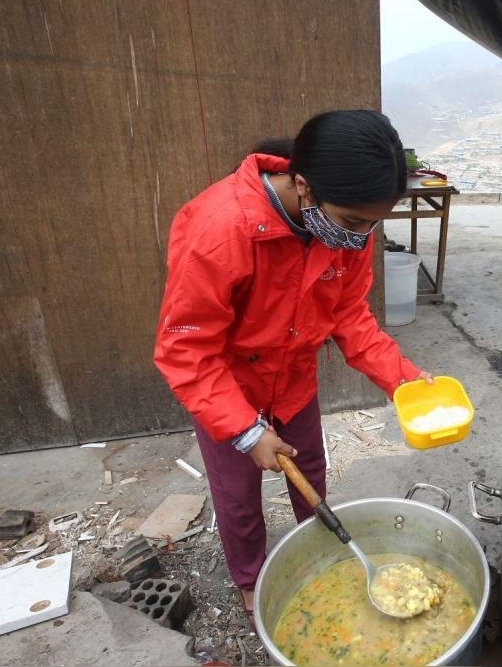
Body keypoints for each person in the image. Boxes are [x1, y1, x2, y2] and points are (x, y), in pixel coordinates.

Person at [153, 109, 431, 619]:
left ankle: (324, 554)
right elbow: (186, 348)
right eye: (354, 221)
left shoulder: (346, 228)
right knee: (238, 496)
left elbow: (350, 315)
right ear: (303, 185)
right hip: (227, 389)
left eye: (374, 223)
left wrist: (405, 380)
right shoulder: (220, 228)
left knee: (310, 472)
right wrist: (245, 430)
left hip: (293, 380)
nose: (363, 236)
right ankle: (254, 583)